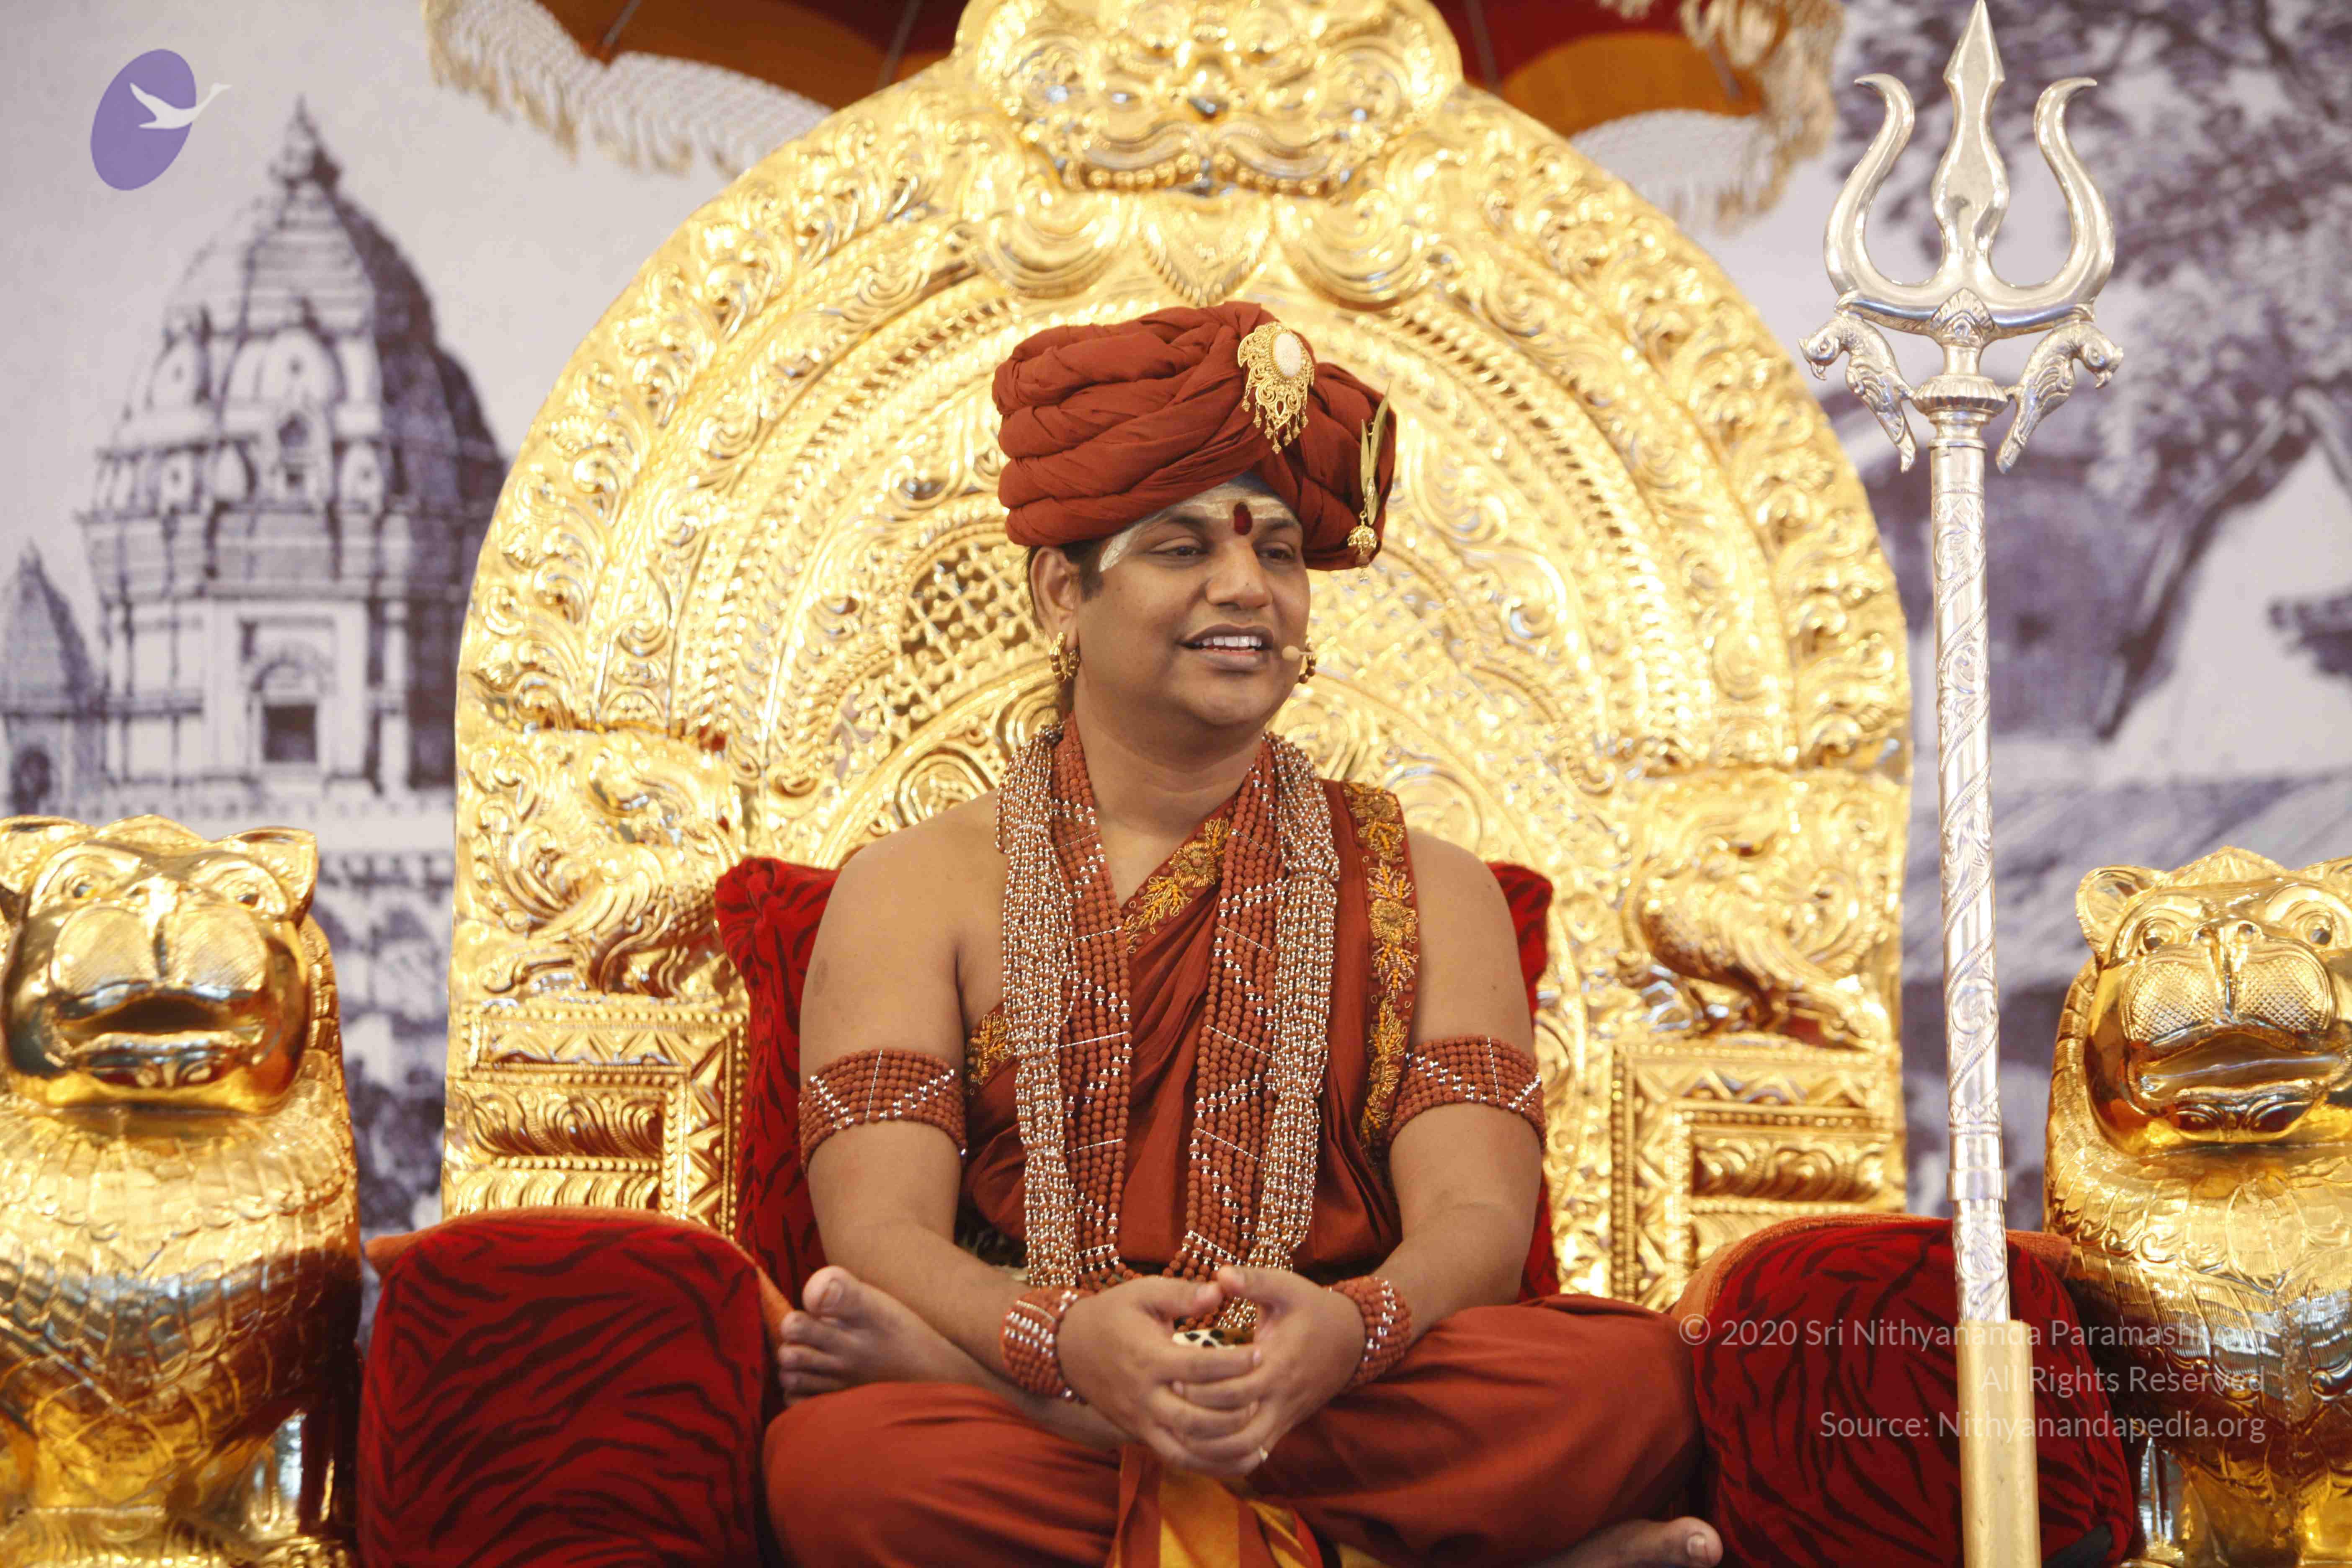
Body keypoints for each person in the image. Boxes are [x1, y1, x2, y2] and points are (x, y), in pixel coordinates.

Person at [760, 303, 1718, 1568]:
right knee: (849, 1473)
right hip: (1052, 1336)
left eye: (1276, 549)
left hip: (1329, 1373)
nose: (1247, 588)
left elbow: (1479, 1215)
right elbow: (881, 1236)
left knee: (1630, 1384)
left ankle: (1071, 1435)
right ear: (1062, 590)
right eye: (1180, 547)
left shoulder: (1434, 887)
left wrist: (1348, 1333)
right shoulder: (914, 885)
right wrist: (1068, 1346)